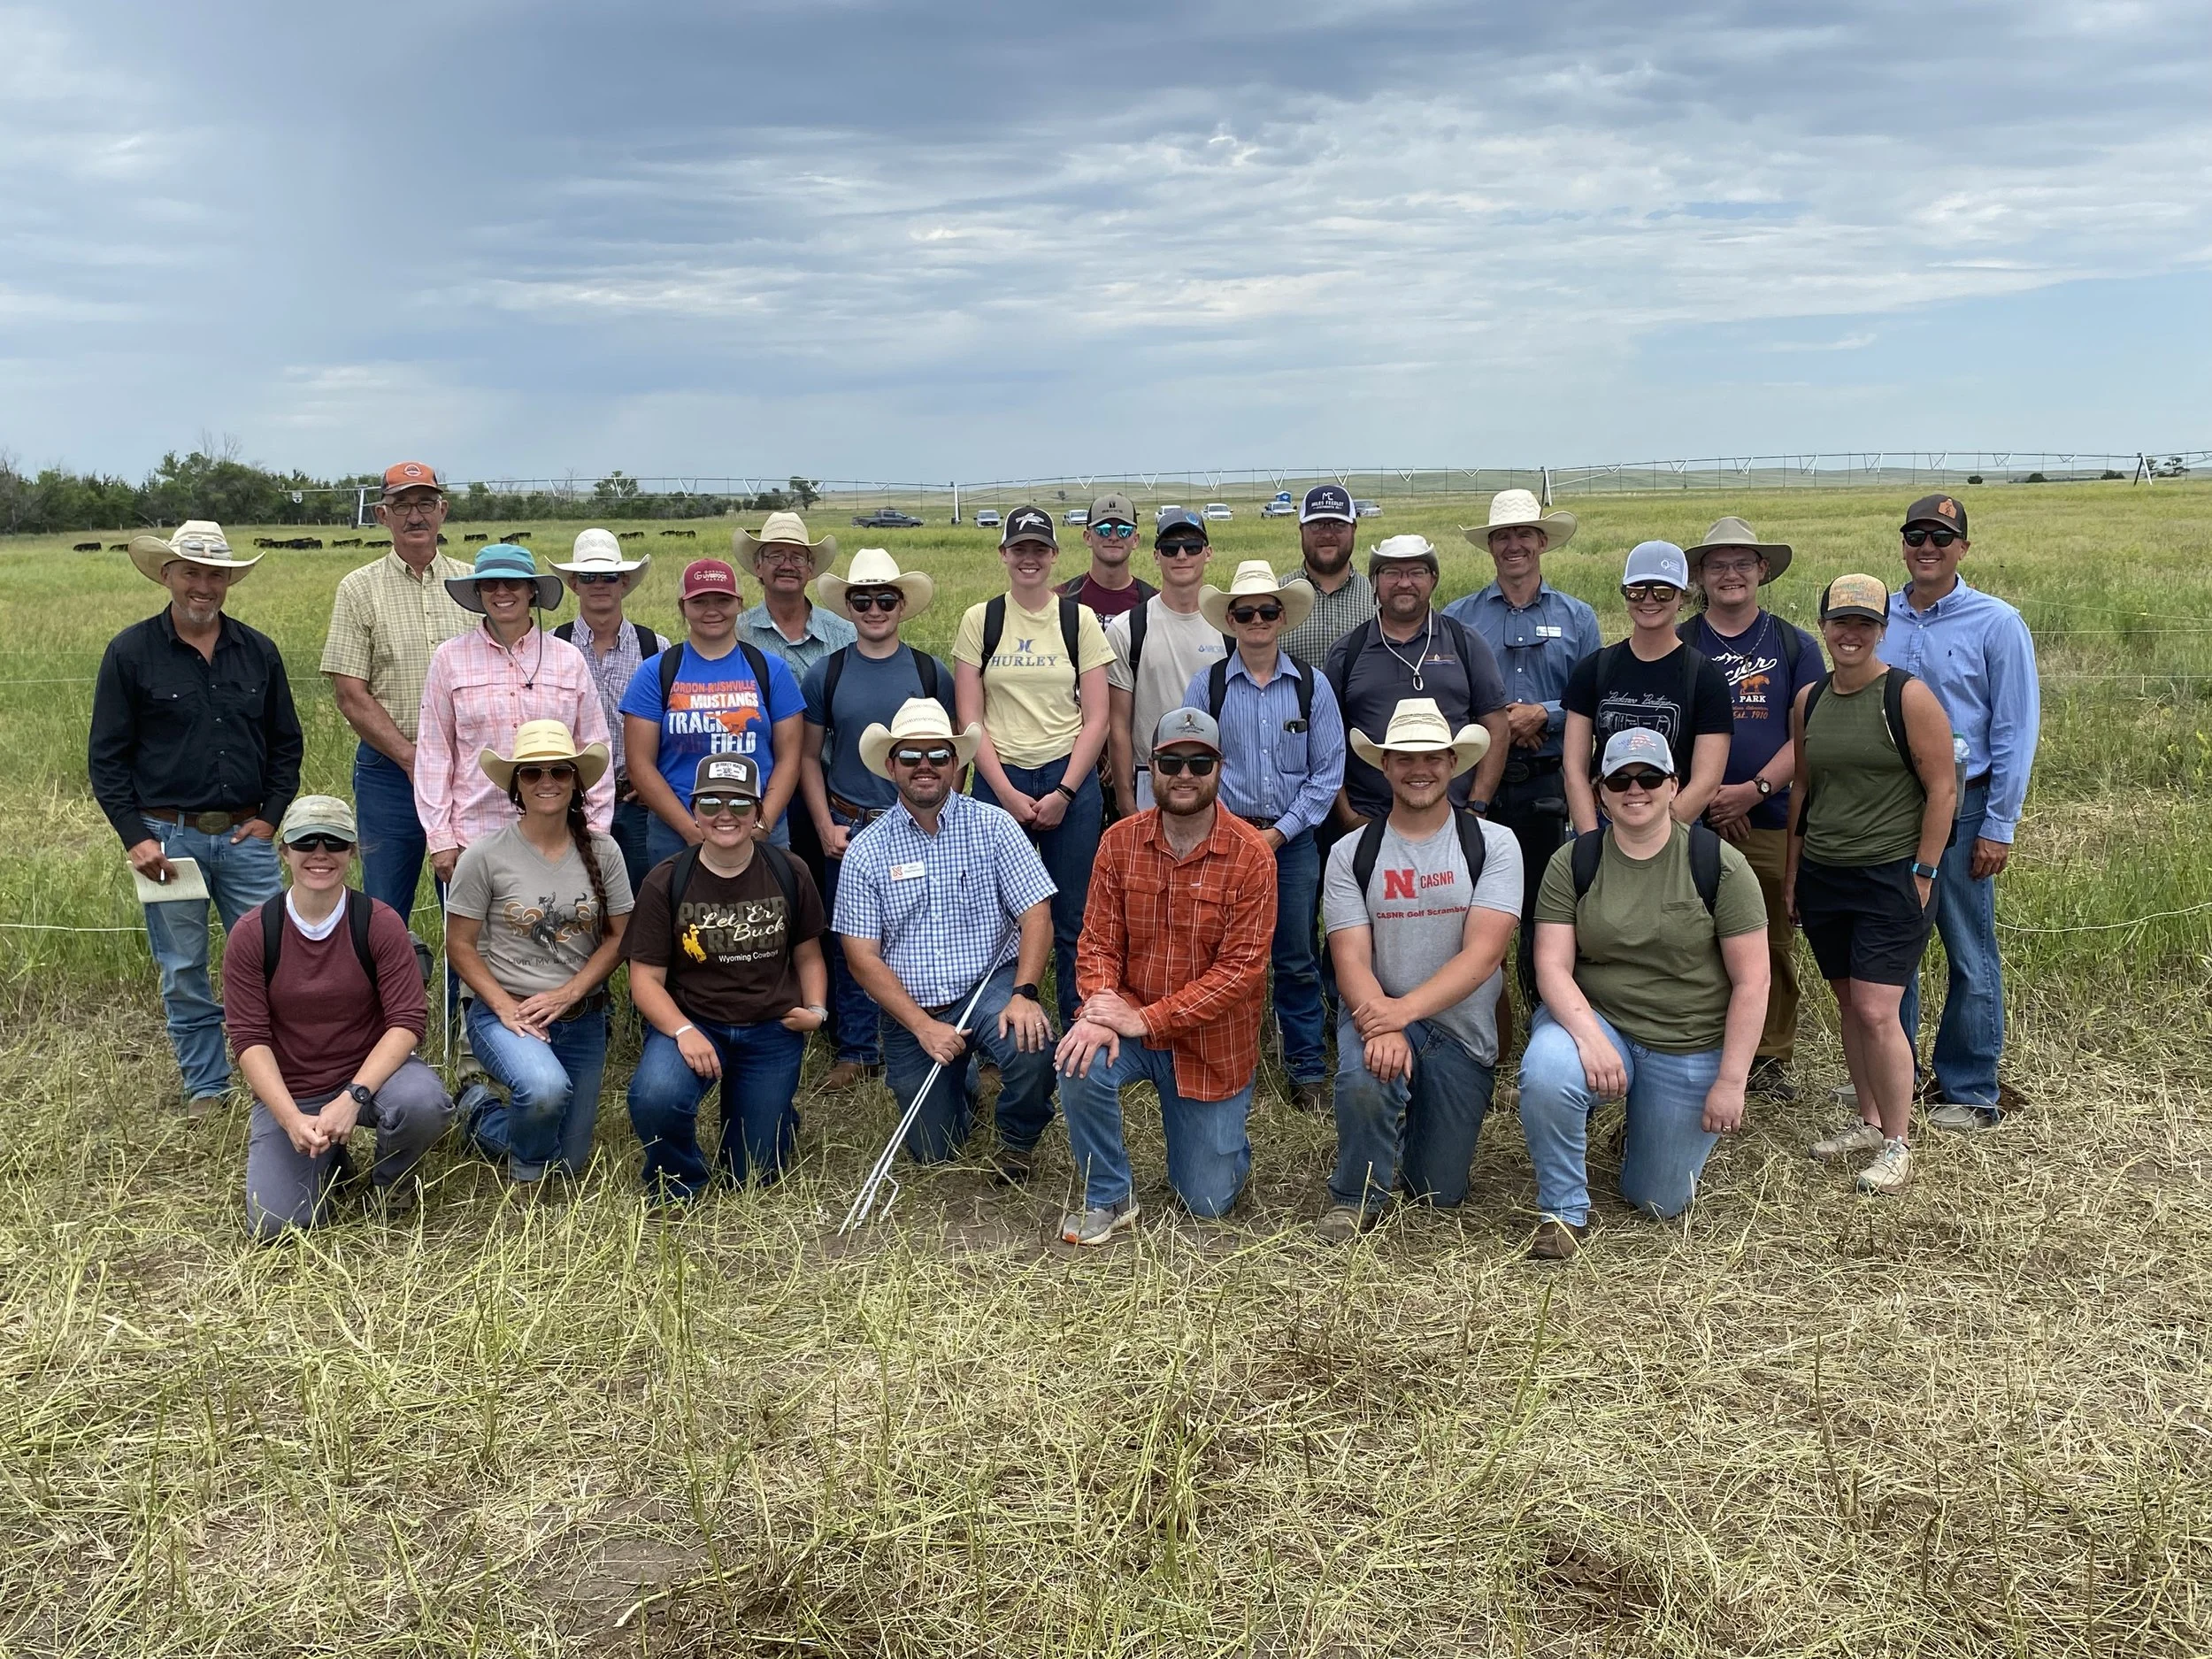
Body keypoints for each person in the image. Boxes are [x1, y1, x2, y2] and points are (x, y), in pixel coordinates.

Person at [1517, 728, 1770, 1261]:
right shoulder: (1574, 861)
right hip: (1600, 1017)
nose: (1637, 789)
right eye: (1620, 780)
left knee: (1657, 1200)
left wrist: (1731, 1081)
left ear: (1674, 786)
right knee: (1547, 1069)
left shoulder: (1718, 864)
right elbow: (1552, 966)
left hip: (1686, 1037)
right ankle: (1563, 1210)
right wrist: (1588, 1038)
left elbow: (1754, 980)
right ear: (1601, 791)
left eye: (1650, 777)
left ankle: (1642, 1130)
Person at [90, 520, 299, 1113]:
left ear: (228, 581)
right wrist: (136, 837)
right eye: (191, 573)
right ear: (168, 575)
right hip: (166, 837)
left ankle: (274, 1082)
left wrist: (272, 817)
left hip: (245, 835)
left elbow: (286, 743)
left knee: (270, 960)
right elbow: (106, 757)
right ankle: (207, 1086)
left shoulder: (257, 651)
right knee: (182, 965)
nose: (203, 586)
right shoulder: (130, 652)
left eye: (215, 575)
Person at [1056, 709, 1277, 1245]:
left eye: (1199, 762)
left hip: (1209, 1043)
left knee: (1206, 1201)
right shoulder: (1118, 842)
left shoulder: (1252, 856)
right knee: (1077, 1056)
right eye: (1170, 761)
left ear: (1220, 768)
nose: (1184, 774)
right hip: (1129, 1020)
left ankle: (1224, 1143)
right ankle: (1108, 1194)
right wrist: (1101, 1009)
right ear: (1149, 767)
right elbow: (1097, 942)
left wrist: (1142, 1019)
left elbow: (1240, 973)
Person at [1317, 699, 1521, 1241]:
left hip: (1461, 1032)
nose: (1419, 769)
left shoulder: (1495, 845)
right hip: (1379, 1015)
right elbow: (1351, 960)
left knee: (1437, 1193)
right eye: (1404, 758)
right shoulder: (1350, 853)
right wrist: (1385, 1024)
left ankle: (1403, 1131)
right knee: (1367, 1076)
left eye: (1432, 756)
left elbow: (1482, 958)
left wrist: (1400, 1013)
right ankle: (1354, 1194)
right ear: (1384, 766)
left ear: (1454, 762)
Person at [833, 700, 1061, 1172]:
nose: (925, 766)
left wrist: (1024, 993)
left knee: (1032, 1043)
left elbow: (1036, 913)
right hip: (912, 1011)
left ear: (954, 764)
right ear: (891, 765)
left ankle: (1016, 1142)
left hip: (989, 988)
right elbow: (860, 957)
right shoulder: (865, 851)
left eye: (937, 755)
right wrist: (921, 1025)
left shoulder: (994, 825)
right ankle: (967, 1078)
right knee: (937, 1152)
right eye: (911, 756)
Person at [1787, 575, 1958, 1196]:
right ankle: (1867, 1120)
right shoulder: (1809, 700)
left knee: (1879, 1010)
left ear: (1883, 630)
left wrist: (1924, 871)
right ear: (1824, 626)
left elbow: (1943, 787)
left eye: (1864, 623)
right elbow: (1803, 789)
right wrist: (1793, 875)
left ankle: (1897, 1141)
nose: (1851, 634)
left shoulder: (1908, 697)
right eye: (1840, 622)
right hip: (1825, 873)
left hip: (1891, 874)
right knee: (1848, 1005)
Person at [1878, 494, 2039, 1129]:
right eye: (1917, 534)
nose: (1927, 546)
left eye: (1941, 538)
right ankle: (1896, 1074)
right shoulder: (1876, 614)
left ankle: (1971, 1086)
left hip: (1965, 808)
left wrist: (1998, 825)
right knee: (1892, 945)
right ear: (1903, 543)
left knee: (1968, 947)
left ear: (1963, 549)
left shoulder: (1997, 623)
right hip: (1888, 809)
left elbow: (2014, 731)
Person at [225, 796, 453, 1240]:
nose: (320, 853)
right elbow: (249, 1040)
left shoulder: (379, 923)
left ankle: (391, 1184)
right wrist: (291, 1118)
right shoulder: (253, 932)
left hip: (370, 1077)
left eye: (335, 841)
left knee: (424, 1103)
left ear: (353, 852)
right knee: (276, 1226)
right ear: (284, 850)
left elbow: (407, 1020)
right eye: (305, 841)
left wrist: (352, 1098)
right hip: (296, 1090)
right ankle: (329, 1160)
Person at [624, 755, 828, 1201]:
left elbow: (809, 955)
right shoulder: (667, 880)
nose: (724, 814)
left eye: (738, 804)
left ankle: (770, 1117)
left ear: (758, 813)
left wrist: (816, 1010)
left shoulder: (789, 871)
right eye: (711, 801)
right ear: (694, 810)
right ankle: (680, 1179)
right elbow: (644, 982)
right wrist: (683, 1031)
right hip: (696, 1022)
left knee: (751, 1178)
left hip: (771, 1027)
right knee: (656, 1096)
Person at [1185, 559, 1345, 1114]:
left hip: (1291, 843)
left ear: (1282, 618)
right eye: (1245, 611)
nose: (1257, 619)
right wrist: (1230, 830)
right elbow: (1192, 768)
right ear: (1230, 620)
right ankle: (1225, 1061)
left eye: (1267, 611)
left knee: (1295, 954)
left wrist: (1278, 835)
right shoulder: (1204, 686)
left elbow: (1327, 773)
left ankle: (1305, 1066)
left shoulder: (1312, 686)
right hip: (1222, 840)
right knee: (1222, 954)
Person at [445, 721, 634, 1186]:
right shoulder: (484, 856)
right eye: (531, 774)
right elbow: (459, 945)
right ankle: (527, 1177)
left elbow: (619, 937)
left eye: (559, 772)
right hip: (508, 1012)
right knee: (545, 1091)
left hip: (582, 1014)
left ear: (576, 782)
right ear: (516, 787)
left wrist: (570, 994)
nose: (546, 782)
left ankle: (478, 1116)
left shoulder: (605, 852)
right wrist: (505, 1007)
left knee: (568, 1162)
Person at [800, 549, 957, 1090]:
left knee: (925, 929)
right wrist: (824, 824)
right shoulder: (828, 672)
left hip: (917, 820)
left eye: (884, 599)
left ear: (901, 605)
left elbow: (946, 755)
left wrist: (947, 819)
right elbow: (807, 756)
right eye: (862, 599)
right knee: (852, 940)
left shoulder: (928, 671)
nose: (873, 608)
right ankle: (857, 1048)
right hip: (852, 823)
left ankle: (927, 1032)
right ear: (847, 606)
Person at [953, 505, 1116, 1025]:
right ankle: (996, 1029)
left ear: (1053, 556)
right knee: (992, 917)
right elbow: (970, 719)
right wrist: (1003, 792)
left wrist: (1065, 793)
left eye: (1039, 549)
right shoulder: (981, 620)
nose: (1030, 559)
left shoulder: (1079, 619)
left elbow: (1098, 719)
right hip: (1002, 779)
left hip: (1069, 777)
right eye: (1019, 549)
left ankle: (1076, 1027)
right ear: (1003, 555)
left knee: (1073, 916)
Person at [1679, 518, 1823, 1103]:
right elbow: (1667, 725)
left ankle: (1769, 1055)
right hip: (1693, 818)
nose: (1730, 574)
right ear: (1702, 576)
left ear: (1762, 571)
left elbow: (1808, 731)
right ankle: (1698, 1042)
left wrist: (1754, 789)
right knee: (1691, 936)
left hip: (1771, 817)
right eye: (1718, 565)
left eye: (1742, 562)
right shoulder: (1680, 641)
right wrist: (1713, 798)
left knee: (1771, 940)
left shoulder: (1793, 645)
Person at [1442, 488, 1600, 999]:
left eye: (1524, 535)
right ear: (1491, 546)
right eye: (1504, 536)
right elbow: (1449, 699)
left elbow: (1594, 698)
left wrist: (1544, 714)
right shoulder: (1458, 618)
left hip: (1547, 783)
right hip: (1476, 786)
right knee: (1473, 905)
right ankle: (1483, 1014)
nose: (1514, 545)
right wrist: (1500, 723)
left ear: (1541, 543)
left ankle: (1546, 1010)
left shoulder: (1579, 618)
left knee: (1546, 907)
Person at [320, 462, 474, 917]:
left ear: (442, 511)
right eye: (401, 505)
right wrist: (412, 759)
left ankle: (463, 992)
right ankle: (387, 990)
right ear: (382, 516)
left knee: (470, 907)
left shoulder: (473, 586)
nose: (415, 516)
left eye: (425, 504)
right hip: (390, 773)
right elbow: (351, 693)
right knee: (384, 910)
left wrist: (438, 766)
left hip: (467, 773)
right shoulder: (358, 589)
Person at [415, 542, 614, 886]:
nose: (502, 593)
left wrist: (594, 833)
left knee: (558, 935)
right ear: (478, 592)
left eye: (513, 583)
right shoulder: (449, 659)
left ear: (531, 590)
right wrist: (441, 839)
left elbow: (596, 748)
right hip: (474, 837)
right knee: (471, 940)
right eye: (490, 584)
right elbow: (434, 754)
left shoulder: (567, 659)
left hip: (559, 836)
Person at [736, 510, 857, 990]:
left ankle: (838, 1008)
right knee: (775, 896)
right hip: (763, 787)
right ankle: (782, 995)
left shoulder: (842, 632)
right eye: (775, 556)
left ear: (811, 569)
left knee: (837, 901)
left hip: (835, 787)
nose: (787, 565)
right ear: (758, 568)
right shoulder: (737, 631)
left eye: (797, 557)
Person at [620, 558, 807, 864]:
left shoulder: (771, 670)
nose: (712, 610)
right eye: (699, 601)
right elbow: (640, 764)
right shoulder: (656, 673)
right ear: (683, 607)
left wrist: (761, 825)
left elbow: (789, 758)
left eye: (723, 600)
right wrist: (692, 830)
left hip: (759, 830)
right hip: (677, 836)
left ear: (739, 604)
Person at [1325, 534, 1509, 832]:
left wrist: (1477, 806)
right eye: (1392, 573)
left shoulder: (1465, 642)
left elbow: (1497, 727)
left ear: (1433, 579)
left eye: (1416, 572)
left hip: (1454, 818)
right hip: (1370, 820)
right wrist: (1348, 816)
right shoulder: (1348, 651)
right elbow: (1327, 739)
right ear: (1374, 581)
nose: (1404, 583)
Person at [1562, 541, 1733, 834]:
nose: (1649, 600)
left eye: (1663, 591)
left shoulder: (1706, 676)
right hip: (1604, 825)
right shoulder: (1594, 669)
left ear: (1682, 598)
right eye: (1637, 590)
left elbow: (1706, 783)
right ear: (1625, 595)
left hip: (1678, 828)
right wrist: (1591, 841)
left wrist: (1652, 837)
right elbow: (1574, 770)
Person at [550, 527, 670, 897]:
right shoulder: (551, 645)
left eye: (609, 576)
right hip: (568, 802)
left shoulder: (656, 648)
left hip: (637, 806)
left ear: (624, 582)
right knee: (572, 906)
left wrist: (654, 784)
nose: (599, 584)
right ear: (573, 583)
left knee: (644, 906)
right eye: (588, 576)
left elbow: (672, 726)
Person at [1106, 507, 1228, 813]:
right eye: (1170, 548)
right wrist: (1125, 800)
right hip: (1152, 782)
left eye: (1193, 547)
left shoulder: (1231, 627)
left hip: (1215, 779)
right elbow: (1118, 724)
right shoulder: (1128, 628)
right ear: (1156, 556)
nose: (1182, 556)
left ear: (1208, 553)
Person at [1281, 485, 1376, 674]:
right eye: (1316, 525)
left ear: (1353, 529)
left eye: (1337, 524)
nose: (1327, 534)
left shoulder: (1379, 598)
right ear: (1301, 530)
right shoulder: (1274, 598)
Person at [1058, 492, 1157, 621]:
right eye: (1103, 529)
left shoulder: (1154, 603)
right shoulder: (1062, 599)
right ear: (1087, 538)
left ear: (1135, 540)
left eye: (1124, 530)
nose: (1113, 537)